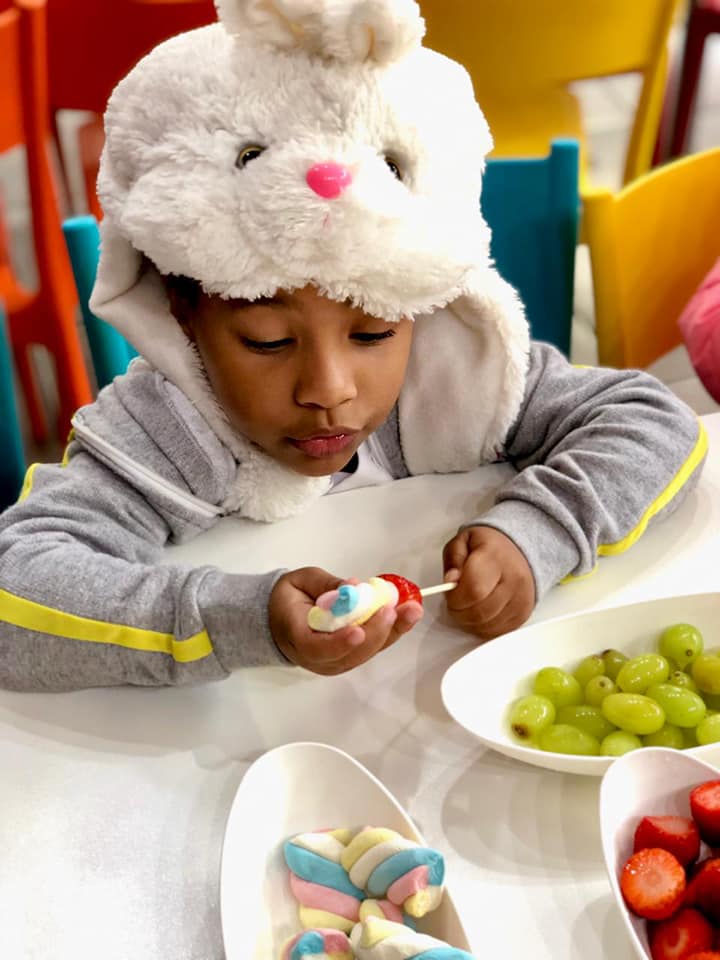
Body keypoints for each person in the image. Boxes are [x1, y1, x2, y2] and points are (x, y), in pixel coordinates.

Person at [0, 0, 707, 691]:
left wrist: (539, 531)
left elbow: (653, 422)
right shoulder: (169, 432)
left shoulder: (458, 375)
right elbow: (16, 588)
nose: (329, 389)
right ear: (181, 318)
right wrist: (238, 617)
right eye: (267, 341)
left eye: (372, 333)